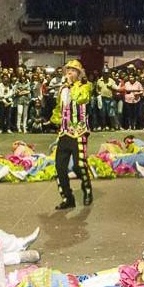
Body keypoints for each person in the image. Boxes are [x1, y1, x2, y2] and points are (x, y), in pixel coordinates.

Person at [51, 60, 93, 209]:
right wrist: (55, 120)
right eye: (68, 70)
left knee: (79, 166)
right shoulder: (62, 88)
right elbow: (59, 108)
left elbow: (80, 98)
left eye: (73, 70)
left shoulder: (85, 86)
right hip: (64, 133)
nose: (69, 72)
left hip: (79, 132)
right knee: (59, 168)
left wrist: (70, 84)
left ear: (79, 73)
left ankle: (87, 189)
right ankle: (68, 198)